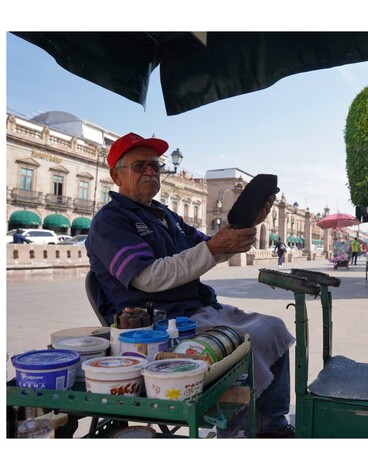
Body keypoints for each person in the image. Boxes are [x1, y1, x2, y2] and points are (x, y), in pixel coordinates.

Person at [86, 132, 295, 438]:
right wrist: (214, 248)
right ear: (116, 175)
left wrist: (246, 226)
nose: (150, 172)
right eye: (140, 166)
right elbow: (147, 276)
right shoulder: (110, 221)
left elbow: (210, 248)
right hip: (158, 321)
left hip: (195, 309)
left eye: (155, 167)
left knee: (272, 327)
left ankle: (271, 426)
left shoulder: (164, 215)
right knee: (241, 344)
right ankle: (237, 435)